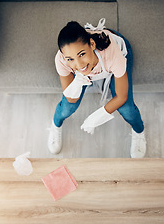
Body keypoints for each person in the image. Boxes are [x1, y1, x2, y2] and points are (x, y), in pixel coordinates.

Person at [47, 18, 146, 158]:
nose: (79, 64)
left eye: (82, 54)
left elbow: (122, 96)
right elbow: (70, 97)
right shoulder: (61, 61)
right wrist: (78, 81)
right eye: (70, 59)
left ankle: (139, 131)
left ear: (92, 44)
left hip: (115, 54)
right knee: (67, 107)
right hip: (91, 65)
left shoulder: (112, 53)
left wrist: (98, 116)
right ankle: (55, 126)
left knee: (127, 108)